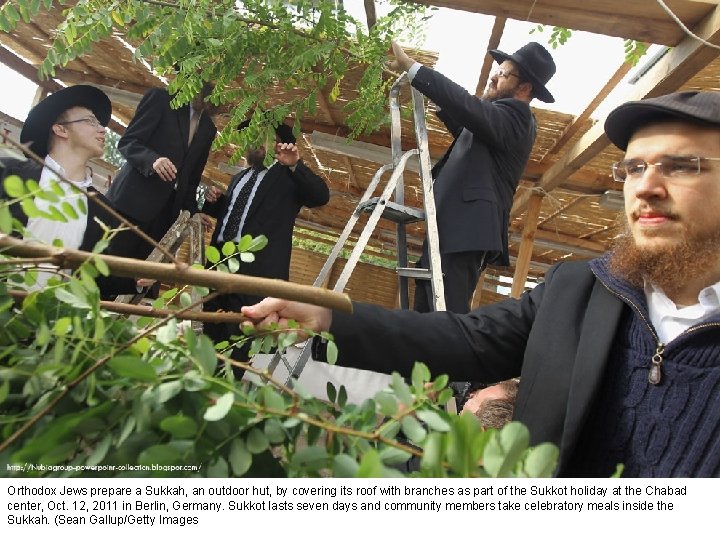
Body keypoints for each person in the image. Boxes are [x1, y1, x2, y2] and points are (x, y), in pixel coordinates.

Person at [243, 91, 720, 477]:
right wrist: (329, 317)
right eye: (634, 167)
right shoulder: (579, 290)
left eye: (681, 166)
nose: (645, 186)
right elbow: (467, 339)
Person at [389, 41, 556, 313]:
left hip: (466, 231)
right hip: (451, 226)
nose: (494, 76)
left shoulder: (518, 117)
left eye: (503, 74)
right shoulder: (497, 123)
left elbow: (469, 108)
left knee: (446, 314)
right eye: (497, 70)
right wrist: (441, 104)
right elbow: (469, 129)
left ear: (525, 88)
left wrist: (415, 70)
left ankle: (442, 357)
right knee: (425, 309)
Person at [202, 122, 330, 361]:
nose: (256, 140)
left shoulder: (287, 176)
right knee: (211, 333)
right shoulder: (239, 177)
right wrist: (215, 201)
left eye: (263, 135)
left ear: (278, 143)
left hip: (257, 276)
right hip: (220, 265)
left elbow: (320, 196)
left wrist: (295, 166)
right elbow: (237, 217)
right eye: (252, 135)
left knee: (240, 342)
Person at [1, 84, 144, 295]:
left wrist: (136, 282)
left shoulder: (101, 210)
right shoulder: (8, 174)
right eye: (90, 121)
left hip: (52, 321)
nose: (102, 129)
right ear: (61, 129)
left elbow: (91, 276)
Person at [106, 82, 217, 260]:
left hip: (167, 215)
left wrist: (194, 211)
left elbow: (192, 177)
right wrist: (153, 161)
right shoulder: (161, 99)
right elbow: (129, 142)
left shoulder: (208, 128)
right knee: (108, 264)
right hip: (131, 203)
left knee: (144, 278)